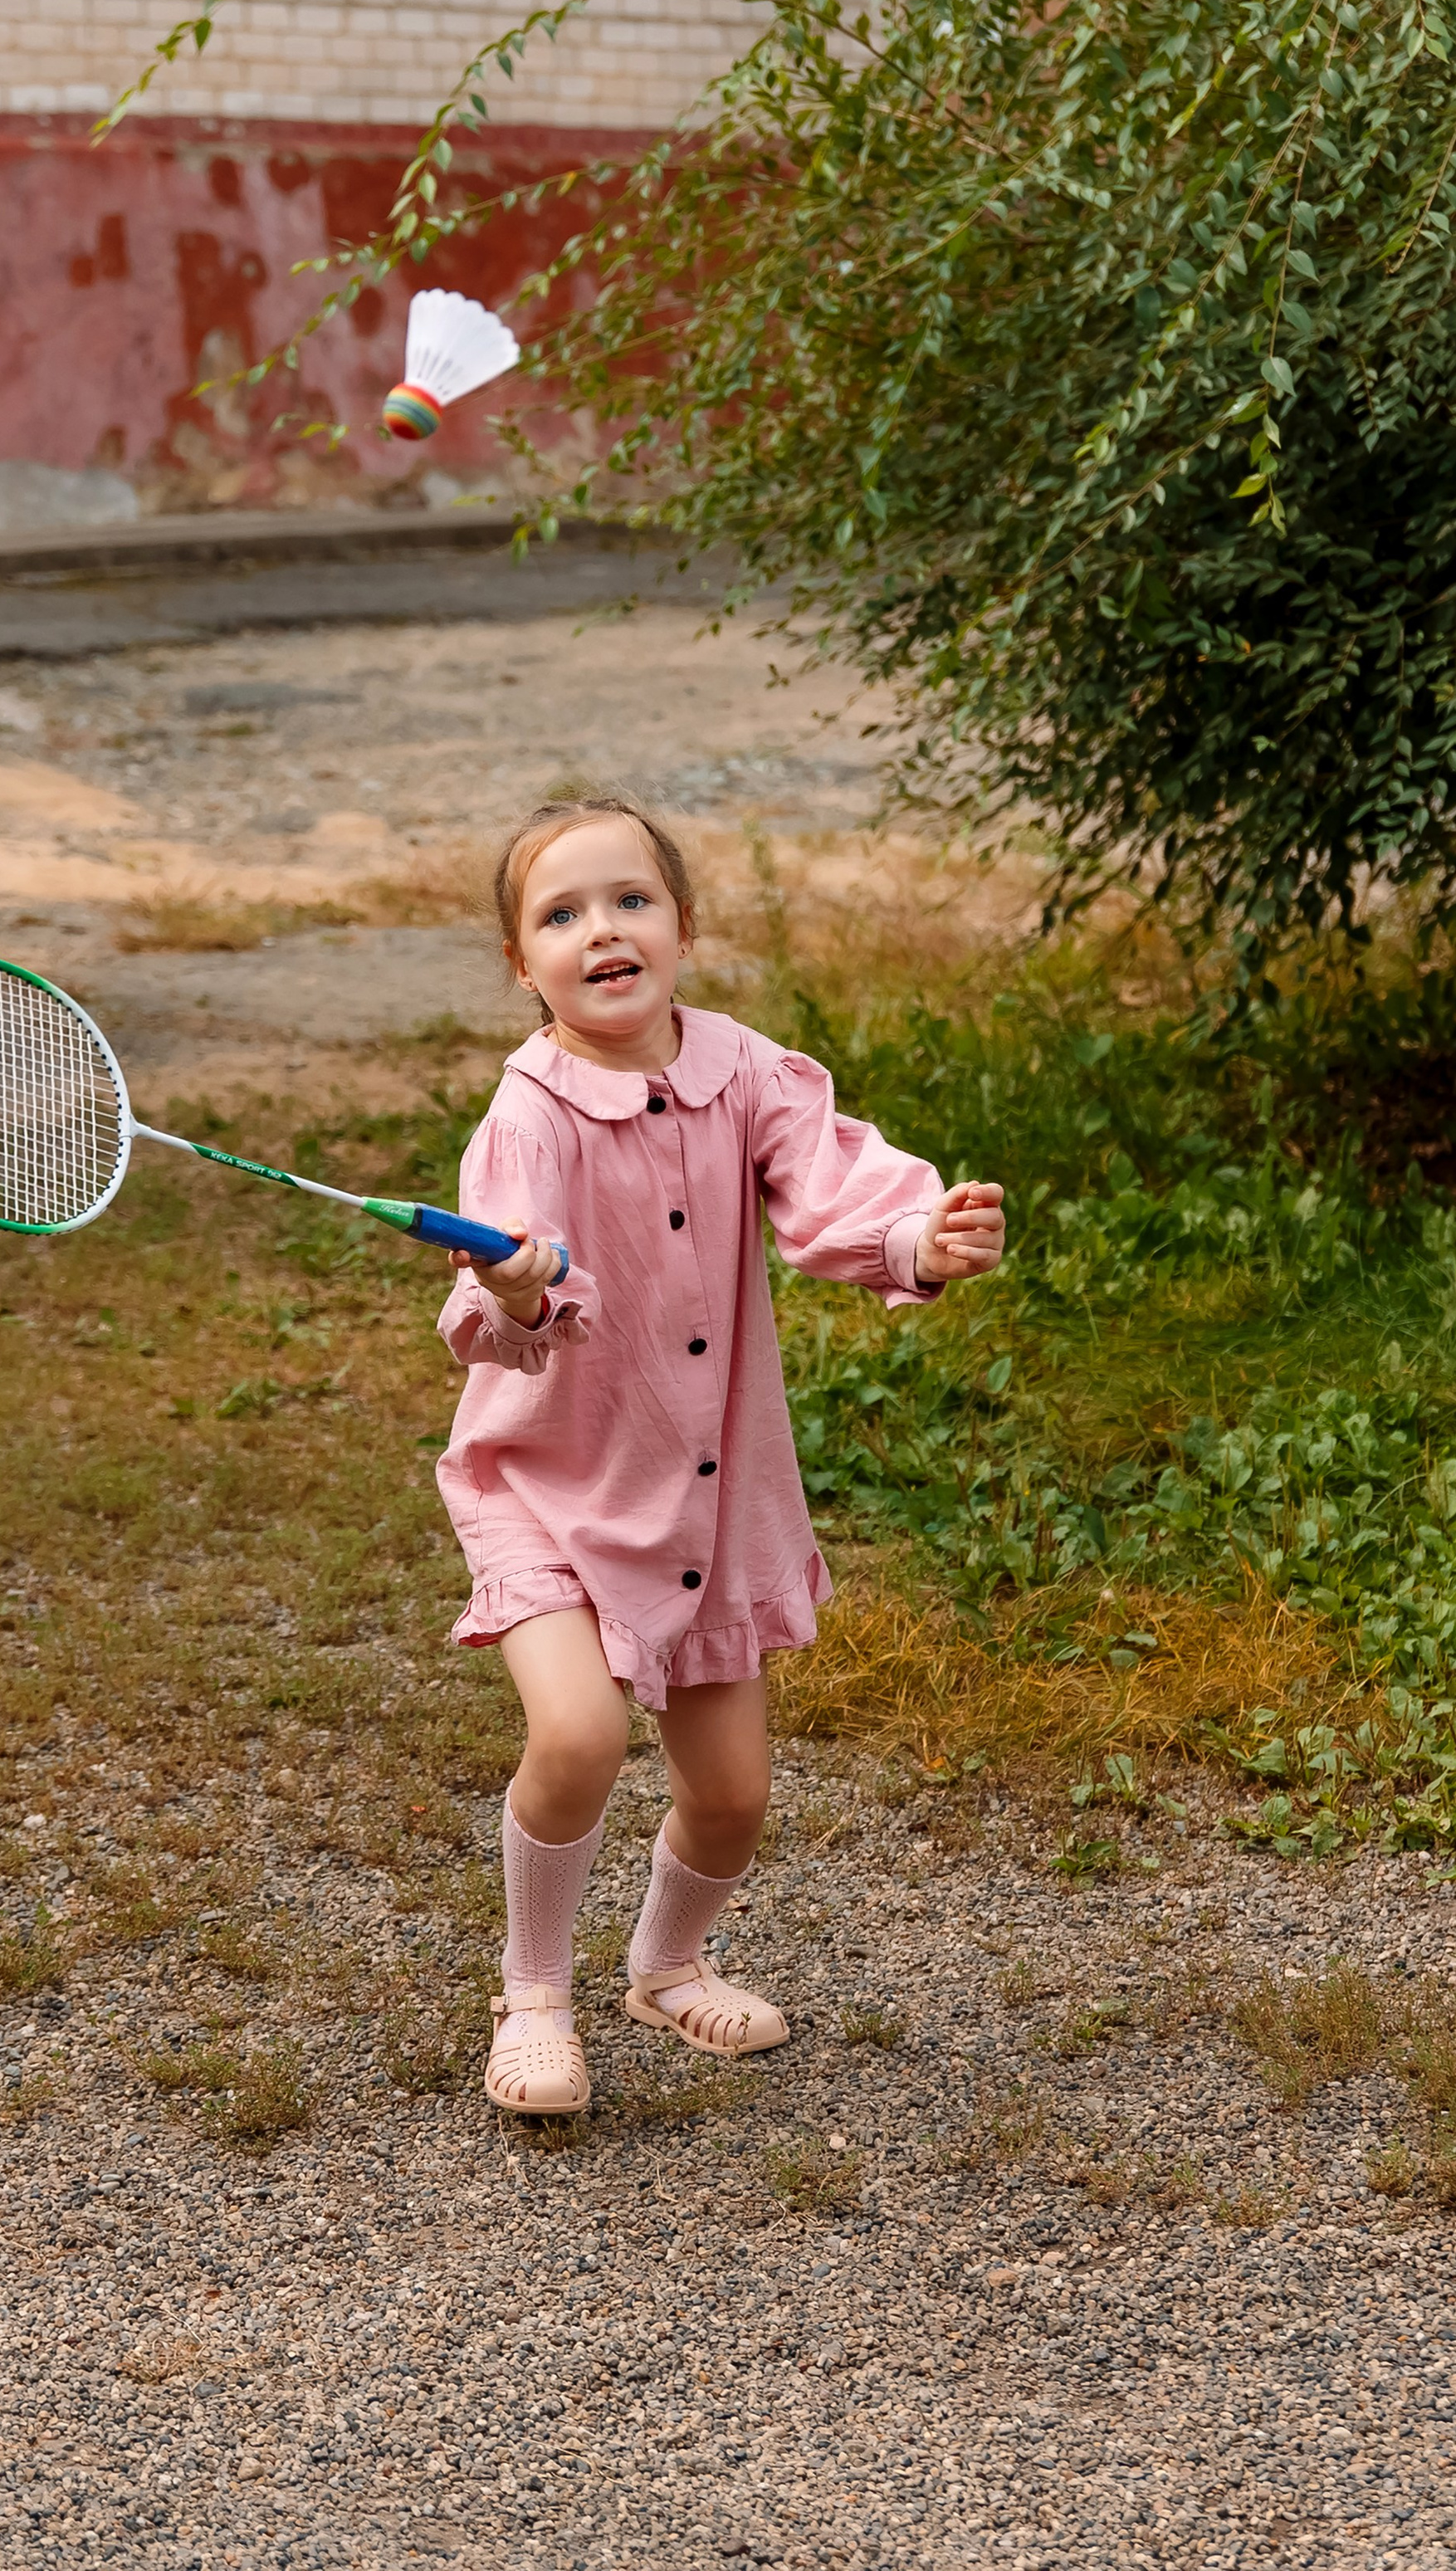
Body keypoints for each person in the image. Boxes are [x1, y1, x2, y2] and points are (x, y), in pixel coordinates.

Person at [437, 795, 1006, 2113]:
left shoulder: (745, 1073)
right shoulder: (530, 1116)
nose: (602, 931)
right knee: (577, 1736)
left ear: (683, 929)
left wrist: (919, 1239)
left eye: (630, 901)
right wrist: (517, 1288)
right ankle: (535, 1997)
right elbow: (501, 1309)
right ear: (523, 966)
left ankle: (666, 1967)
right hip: (552, 1485)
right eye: (562, 915)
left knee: (735, 1796)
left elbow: (833, 1198)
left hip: (702, 1500)